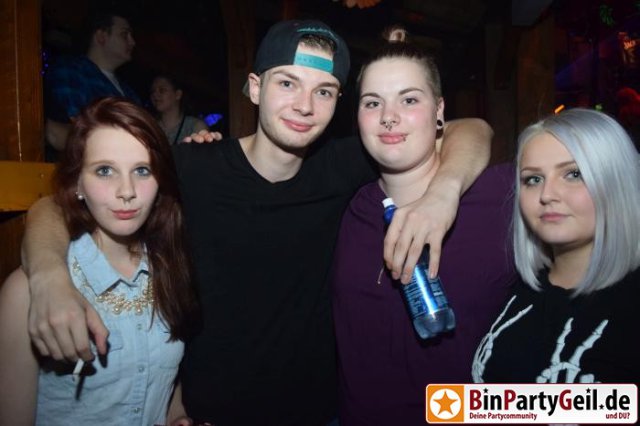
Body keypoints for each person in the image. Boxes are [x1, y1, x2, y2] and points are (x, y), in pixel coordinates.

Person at [23, 20, 493, 425]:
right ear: (254, 87)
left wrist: (443, 194)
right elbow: (58, 205)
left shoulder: (346, 164)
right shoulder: (194, 167)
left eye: (324, 91)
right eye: (287, 83)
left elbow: (470, 129)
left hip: (319, 414)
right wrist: (47, 277)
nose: (305, 105)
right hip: (209, 413)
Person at [330, 28, 516, 425]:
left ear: (440, 111)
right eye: (372, 102)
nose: (389, 116)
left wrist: (445, 191)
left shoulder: (502, 198)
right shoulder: (345, 205)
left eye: (409, 99)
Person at [0, 97, 199, 425]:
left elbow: (166, 379)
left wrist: (175, 414)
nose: (126, 191)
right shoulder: (28, 292)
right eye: (105, 170)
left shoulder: (170, 267)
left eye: (142, 170)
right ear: (78, 182)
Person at [472, 108, 640, 384]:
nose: (547, 195)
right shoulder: (516, 288)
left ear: (615, 182)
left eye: (573, 174)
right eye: (533, 179)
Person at [44, 8, 139, 159]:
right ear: (101, 36)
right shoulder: (71, 70)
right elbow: (72, 131)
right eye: (124, 34)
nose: (132, 42)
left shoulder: (129, 91)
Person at [150, 74, 209, 145]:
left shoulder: (195, 126)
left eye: (162, 90)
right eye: (153, 91)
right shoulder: (150, 126)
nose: (155, 95)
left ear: (178, 94)